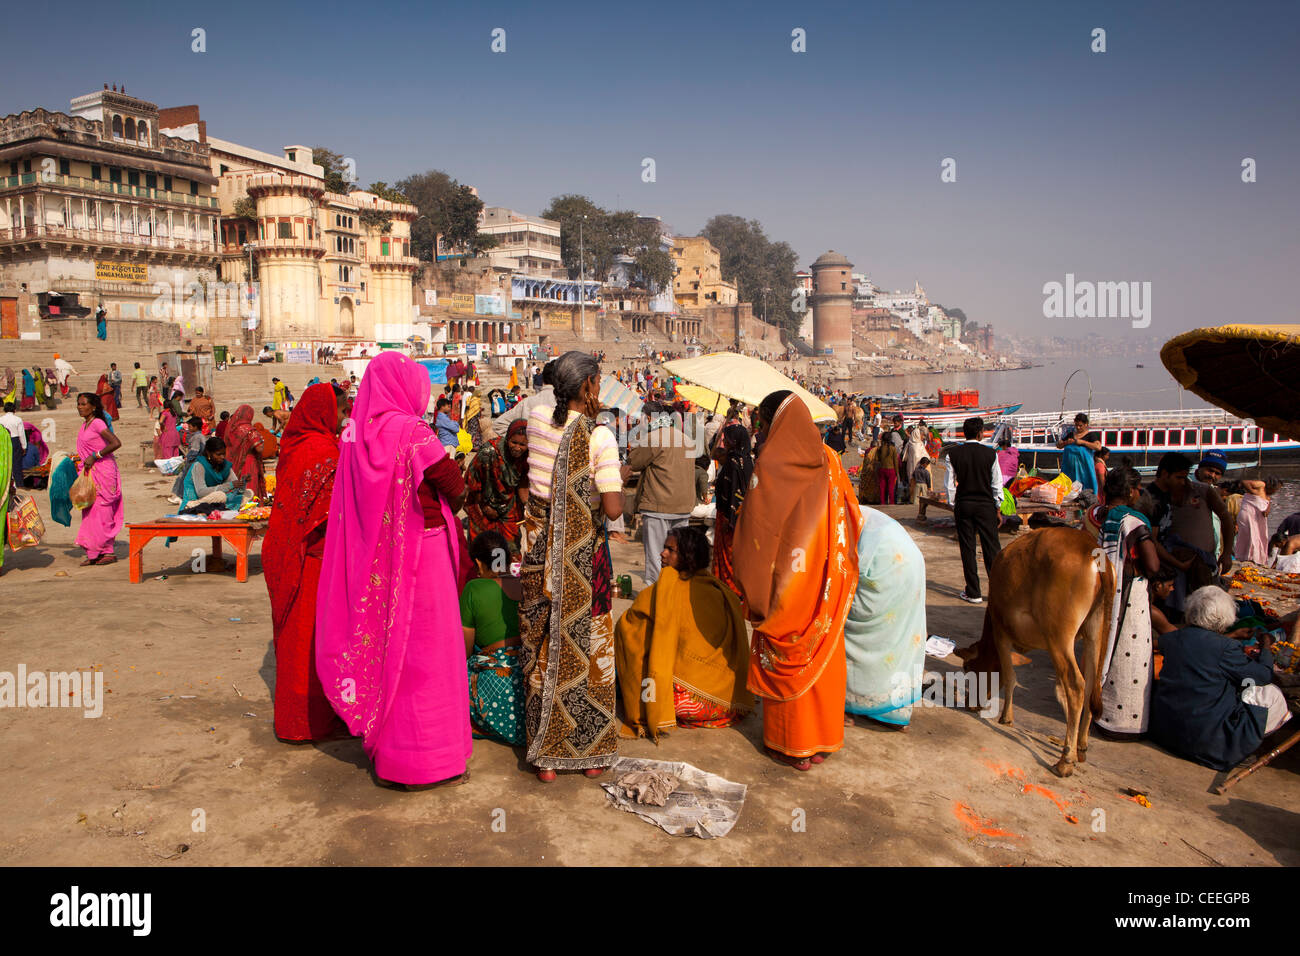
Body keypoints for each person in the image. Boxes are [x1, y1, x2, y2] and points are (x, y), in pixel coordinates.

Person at [315, 350, 471, 789]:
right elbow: (455, 488)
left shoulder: (353, 436)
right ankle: (435, 759)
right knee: (431, 656)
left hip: (379, 563)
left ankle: (394, 759)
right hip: (424, 556)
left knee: (392, 651)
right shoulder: (414, 432)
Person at [734, 390, 861, 772]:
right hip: (824, 585)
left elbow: (757, 531)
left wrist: (750, 577)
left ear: (774, 421)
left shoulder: (771, 463)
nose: (759, 430)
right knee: (823, 653)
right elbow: (854, 515)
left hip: (786, 585)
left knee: (785, 647)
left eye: (762, 422)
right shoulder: (832, 460)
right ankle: (819, 743)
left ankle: (790, 745)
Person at [519, 350, 624, 781]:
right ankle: (589, 752)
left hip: (537, 549)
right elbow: (614, 510)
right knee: (590, 645)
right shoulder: (599, 438)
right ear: (588, 387)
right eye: (598, 382)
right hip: (583, 560)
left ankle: (544, 755)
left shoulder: (537, 421)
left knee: (540, 643)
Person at [263, 384, 348, 743]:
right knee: (314, 641)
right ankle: (311, 723)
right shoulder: (324, 452)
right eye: (342, 412)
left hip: (288, 553)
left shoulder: (294, 445)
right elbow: (330, 513)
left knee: (296, 640)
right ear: (325, 413)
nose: (344, 420)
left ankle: (295, 721)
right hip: (315, 559)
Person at [615, 525, 752, 737]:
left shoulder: (661, 591)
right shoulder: (719, 590)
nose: (662, 553)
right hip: (728, 699)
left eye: (670, 550)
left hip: (684, 704)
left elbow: (626, 629)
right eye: (664, 548)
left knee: (640, 638)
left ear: (687, 555)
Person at [1149, 585, 1292, 770]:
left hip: (1165, 733)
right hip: (1206, 742)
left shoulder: (1175, 638)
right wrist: (1265, 648)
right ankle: (1246, 745)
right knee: (1272, 694)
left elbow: (1201, 647)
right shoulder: (1225, 648)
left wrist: (1233, 639)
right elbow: (1263, 675)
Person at [845, 506, 927, 726]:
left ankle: (853, 703)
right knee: (896, 636)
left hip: (886, 565)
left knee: (844, 627)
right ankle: (893, 710)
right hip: (910, 561)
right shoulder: (849, 508)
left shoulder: (826, 515)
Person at [1096, 465, 1162, 736]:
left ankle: (1103, 713)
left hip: (1108, 588)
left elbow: (1099, 556)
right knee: (1131, 653)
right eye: (1137, 488)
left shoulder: (1106, 516)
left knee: (1107, 650)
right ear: (1131, 491)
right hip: (1131, 593)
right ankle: (1126, 723)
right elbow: (1153, 564)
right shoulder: (1134, 520)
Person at [461, 530, 526, 746]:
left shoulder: (473, 588)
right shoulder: (524, 584)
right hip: (526, 680)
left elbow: (465, 649)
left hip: (496, 687)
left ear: (479, 563)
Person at [625, 403, 697, 586]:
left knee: (657, 554)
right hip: (683, 505)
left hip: (659, 503)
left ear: (649, 418)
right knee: (678, 554)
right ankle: (675, 591)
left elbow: (633, 462)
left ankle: (656, 593)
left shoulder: (653, 437)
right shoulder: (685, 438)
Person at [945, 416, 1004, 604]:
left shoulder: (952, 454)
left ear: (965, 433)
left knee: (968, 548)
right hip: (985, 505)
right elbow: (997, 484)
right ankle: (997, 591)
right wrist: (998, 506)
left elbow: (949, 485)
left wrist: (955, 504)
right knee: (991, 548)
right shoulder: (990, 454)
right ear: (980, 434)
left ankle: (973, 592)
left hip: (964, 504)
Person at [464, 419, 529, 554]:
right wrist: (485, 507)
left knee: (510, 550)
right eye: (514, 442)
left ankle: (502, 573)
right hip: (482, 504)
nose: (517, 448)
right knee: (484, 550)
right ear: (507, 439)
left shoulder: (526, 457)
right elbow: (472, 482)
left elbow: (523, 483)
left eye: (522, 444)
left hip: (509, 506)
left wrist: (528, 506)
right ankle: (486, 574)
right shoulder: (489, 452)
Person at [74, 392, 123, 566]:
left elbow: (116, 443)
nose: (80, 407)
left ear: (93, 406)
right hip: (89, 472)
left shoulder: (97, 423)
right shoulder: (85, 425)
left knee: (103, 511)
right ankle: (94, 552)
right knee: (90, 511)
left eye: (83, 404)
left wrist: (96, 455)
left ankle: (108, 551)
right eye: (78, 404)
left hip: (103, 471)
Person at [711, 423, 753, 597]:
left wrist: (729, 519)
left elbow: (735, 492)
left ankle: (731, 591)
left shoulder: (733, 463)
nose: (725, 443)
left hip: (730, 517)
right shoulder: (747, 460)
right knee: (736, 554)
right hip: (741, 516)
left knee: (728, 555)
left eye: (727, 439)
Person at [178, 437, 246, 514]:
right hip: (195, 500)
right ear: (208, 453)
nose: (222, 457)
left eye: (224, 454)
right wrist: (229, 486)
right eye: (218, 454)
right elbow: (201, 492)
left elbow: (234, 484)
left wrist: (242, 483)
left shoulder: (224, 465)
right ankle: (193, 506)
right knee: (220, 496)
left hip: (212, 499)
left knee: (247, 495)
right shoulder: (199, 465)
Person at [1235, 476, 1281, 565]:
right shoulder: (1261, 485)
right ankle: (1246, 558)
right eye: (1276, 489)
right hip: (1248, 514)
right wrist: (1253, 492)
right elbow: (1245, 481)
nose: (1276, 491)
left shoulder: (1267, 496)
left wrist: (1267, 509)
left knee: (1260, 537)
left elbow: (1266, 508)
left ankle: (1256, 559)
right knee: (1249, 536)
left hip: (1258, 518)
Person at [224, 405, 266, 498]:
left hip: (233, 461)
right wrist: (261, 441)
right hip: (248, 461)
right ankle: (249, 505)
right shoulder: (249, 430)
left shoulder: (231, 428)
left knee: (236, 484)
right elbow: (259, 448)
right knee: (249, 486)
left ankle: (236, 503)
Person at [876, 431, 899, 506]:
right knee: (891, 488)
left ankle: (882, 502)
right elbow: (895, 462)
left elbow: (878, 459)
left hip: (882, 469)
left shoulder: (880, 448)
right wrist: (897, 472)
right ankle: (891, 502)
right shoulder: (893, 449)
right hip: (891, 470)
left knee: (882, 487)